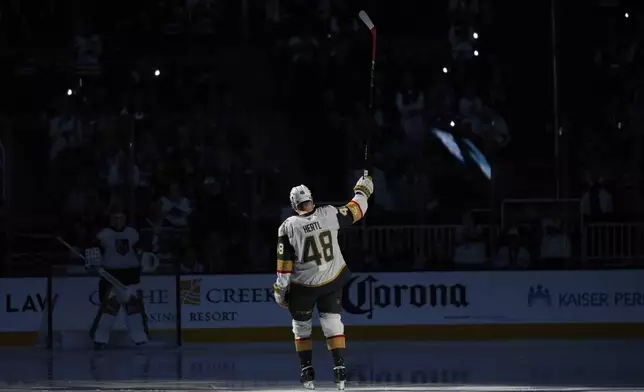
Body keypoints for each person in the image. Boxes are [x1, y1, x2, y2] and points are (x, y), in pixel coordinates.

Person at [273, 176, 374, 390]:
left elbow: (284, 267)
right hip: (331, 281)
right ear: (311, 199)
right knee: (332, 323)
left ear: (293, 205)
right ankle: (339, 368)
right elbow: (357, 210)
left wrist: (280, 291)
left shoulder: (287, 227)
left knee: (301, 328)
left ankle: (306, 369)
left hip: (303, 288)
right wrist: (363, 190)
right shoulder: (328, 213)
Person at [85, 207, 153, 349]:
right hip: (111, 274)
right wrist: (92, 263)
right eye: (114, 218)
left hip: (131, 274)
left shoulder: (133, 233)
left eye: (120, 217)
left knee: (134, 308)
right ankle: (100, 339)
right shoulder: (103, 235)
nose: (118, 221)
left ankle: (140, 337)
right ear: (110, 219)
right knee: (109, 308)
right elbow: (93, 253)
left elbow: (141, 251)